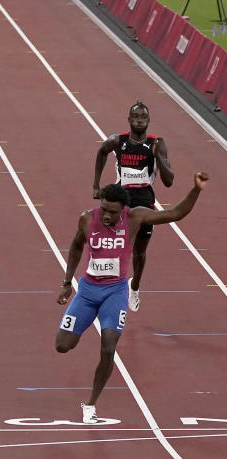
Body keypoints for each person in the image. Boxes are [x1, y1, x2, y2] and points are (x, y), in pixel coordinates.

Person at [56, 172, 208, 424]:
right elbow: (75, 246)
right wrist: (66, 282)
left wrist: (196, 189)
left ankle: (91, 404)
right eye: (104, 209)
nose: (107, 216)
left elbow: (175, 214)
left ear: (123, 210)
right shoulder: (86, 219)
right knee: (62, 345)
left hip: (115, 293)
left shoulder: (135, 216)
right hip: (87, 291)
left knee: (108, 346)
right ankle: (77, 329)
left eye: (113, 213)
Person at [92, 101, 174, 311]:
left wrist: (158, 157)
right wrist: (96, 185)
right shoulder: (118, 141)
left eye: (143, 117)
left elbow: (169, 180)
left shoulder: (157, 143)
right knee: (111, 244)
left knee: (139, 252)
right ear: (129, 120)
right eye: (135, 116)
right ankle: (106, 285)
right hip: (121, 199)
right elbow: (101, 152)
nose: (139, 120)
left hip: (145, 200)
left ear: (148, 120)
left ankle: (134, 287)